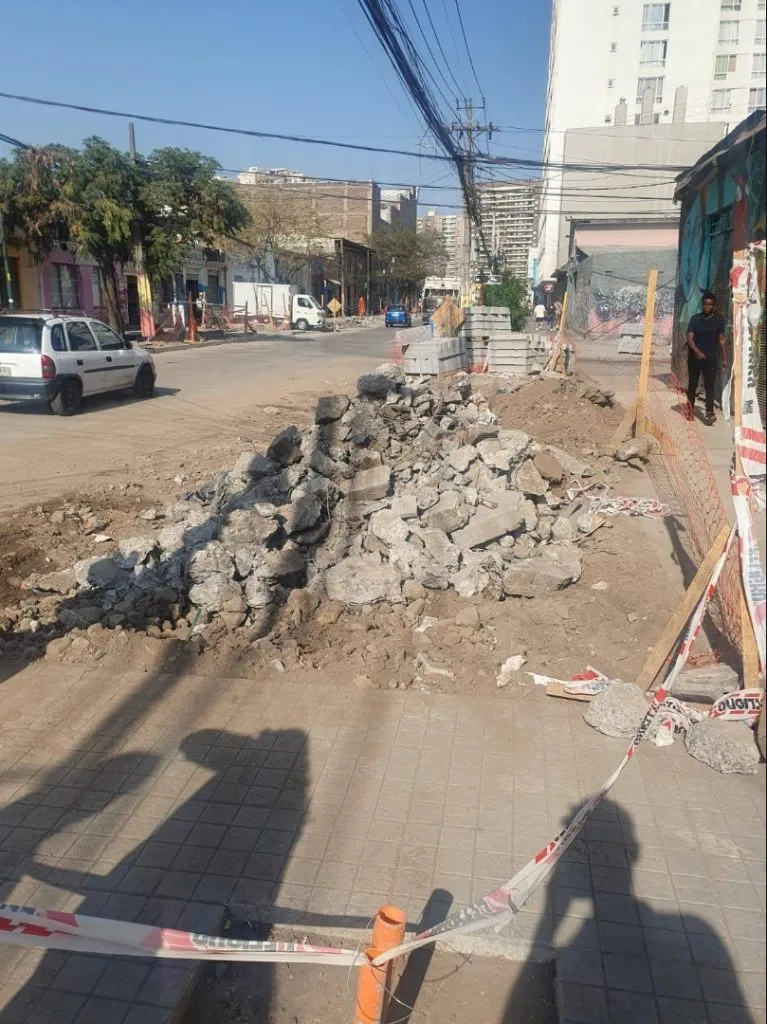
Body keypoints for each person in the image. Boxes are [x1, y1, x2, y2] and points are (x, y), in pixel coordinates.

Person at [686, 290, 727, 425]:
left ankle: (709, 413)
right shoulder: (695, 319)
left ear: (713, 305)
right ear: (702, 305)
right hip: (694, 358)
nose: (707, 307)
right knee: (693, 384)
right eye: (705, 304)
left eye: (709, 304)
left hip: (711, 358)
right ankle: (690, 409)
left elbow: (721, 340)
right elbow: (690, 338)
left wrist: (725, 358)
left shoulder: (719, 320)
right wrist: (697, 352)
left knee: (710, 386)